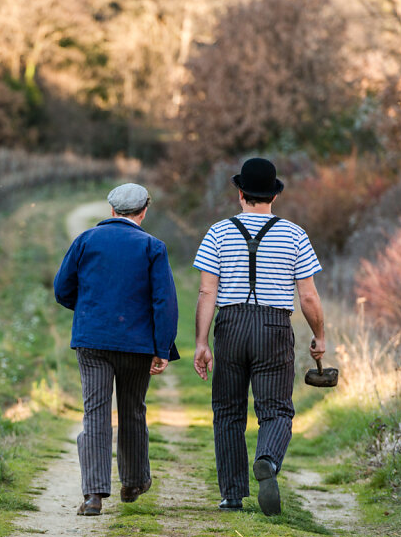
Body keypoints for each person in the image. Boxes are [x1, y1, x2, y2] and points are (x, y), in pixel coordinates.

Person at [192, 158, 325, 516]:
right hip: (273, 327)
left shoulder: (217, 233)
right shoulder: (295, 234)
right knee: (276, 409)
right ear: (274, 196)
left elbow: (207, 294)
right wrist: (320, 335)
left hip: (231, 325)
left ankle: (232, 495)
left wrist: (202, 342)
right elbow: (308, 296)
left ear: (240, 194)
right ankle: (267, 460)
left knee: (227, 411)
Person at [54, 183, 179, 517]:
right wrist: (162, 347)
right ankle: (134, 482)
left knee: (95, 412)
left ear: (111, 210)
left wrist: (87, 311)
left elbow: (62, 288)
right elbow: (163, 301)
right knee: (132, 410)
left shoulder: (85, 241)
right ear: (144, 211)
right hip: (137, 345)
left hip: (92, 341)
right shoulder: (153, 247)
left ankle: (93, 495)